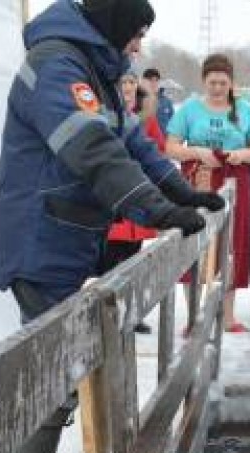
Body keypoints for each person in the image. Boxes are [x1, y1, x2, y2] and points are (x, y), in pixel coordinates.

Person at [0, 0, 224, 453]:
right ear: (114, 25)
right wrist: (155, 208)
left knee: (64, 353)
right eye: (136, 34)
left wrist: (179, 194)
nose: (139, 46)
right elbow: (92, 148)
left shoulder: (94, 69)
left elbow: (130, 141)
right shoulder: (57, 65)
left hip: (67, 236)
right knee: (58, 358)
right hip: (39, 237)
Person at [165, 53, 250, 333]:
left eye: (223, 83)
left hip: (235, 177)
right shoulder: (190, 109)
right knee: (196, 240)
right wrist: (196, 150)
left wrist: (241, 154)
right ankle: (193, 317)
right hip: (198, 177)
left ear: (232, 83)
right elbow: (170, 147)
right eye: (213, 82)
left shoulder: (244, 109)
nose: (218, 88)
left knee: (231, 242)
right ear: (204, 81)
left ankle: (228, 315)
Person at [99, 70, 161, 336]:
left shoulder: (146, 120)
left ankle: (132, 314)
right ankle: (110, 315)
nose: (127, 87)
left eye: (132, 82)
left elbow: (157, 150)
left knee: (133, 258)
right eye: (123, 81)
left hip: (138, 197)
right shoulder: (104, 113)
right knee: (111, 260)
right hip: (114, 197)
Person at [142, 66, 175, 135]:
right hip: (144, 143)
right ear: (143, 82)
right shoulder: (138, 101)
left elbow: (173, 126)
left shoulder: (166, 102)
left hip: (164, 143)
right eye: (150, 80)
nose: (154, 83)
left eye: (156, 80)